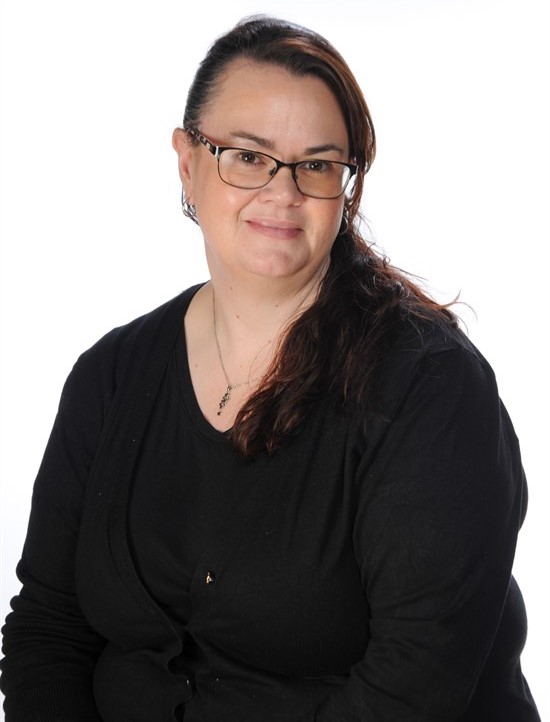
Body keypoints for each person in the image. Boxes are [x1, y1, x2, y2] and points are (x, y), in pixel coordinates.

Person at [0, 13, 541, 722]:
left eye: (317, 165)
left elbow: (411, 691)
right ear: (188, 163)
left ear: (345, 186)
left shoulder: (430, 387)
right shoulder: (110, 376)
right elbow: (50, 630)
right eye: (248, 156)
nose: (282, 192)